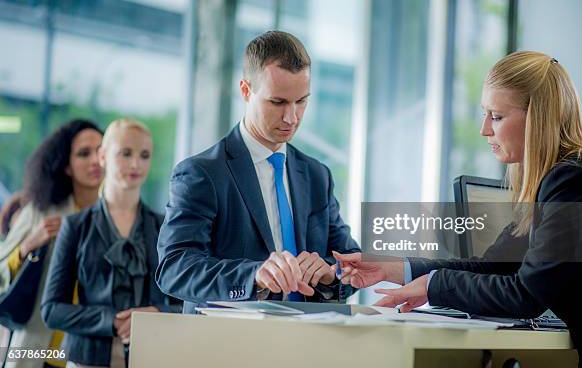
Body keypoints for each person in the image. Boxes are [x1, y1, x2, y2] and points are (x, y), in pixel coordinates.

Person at [334, 51, 582, 366]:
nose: (484, 130)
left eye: (496, 116)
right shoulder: (563, 175)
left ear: (537, 117)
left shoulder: (574, 180)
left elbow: (527, 296)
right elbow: (495, 265)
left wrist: (434, 285)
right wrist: (396, 268)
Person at [156, 30, 360, 312]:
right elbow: (174, 268)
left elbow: (351, 261)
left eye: (301, 101)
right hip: (229, 345)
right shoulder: (202, 173)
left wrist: (330, 272)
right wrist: (253, 275)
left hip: (307, 343)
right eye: (278, 102)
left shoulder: (316, 176)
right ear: (245, 91)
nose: (292, 117)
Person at [42, 119, 176, 368]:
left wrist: (156, 314)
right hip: (85, 360)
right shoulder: (75, 226)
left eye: (144, 155)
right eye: (125, 153)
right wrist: (111, 320)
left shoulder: (164, 227)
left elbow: (186, 303)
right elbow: (51, 310)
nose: (136, 164)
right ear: (103, 157)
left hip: (151, 357)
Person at [0, 119, 104, 368]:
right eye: (83, 153)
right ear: (66, 166)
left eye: (100, 151)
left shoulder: (118, 218)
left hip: (91, 353)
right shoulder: (41, 211)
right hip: (40, 350)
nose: (94, 161)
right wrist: (27, 247)